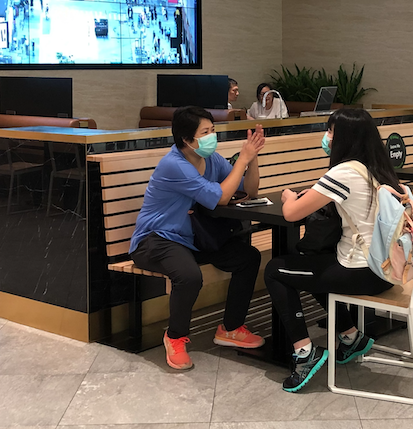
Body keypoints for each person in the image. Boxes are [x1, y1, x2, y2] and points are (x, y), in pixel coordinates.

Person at [263, 108, 397, 393]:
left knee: (275, 270)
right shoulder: (377, 168)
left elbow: (291, 213)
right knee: (312, 265)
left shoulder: (345, 171)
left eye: (330, 132)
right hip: (385, 268)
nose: (326, 137)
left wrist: (288, 197)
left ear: (344, 138)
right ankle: (351, 338)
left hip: (363, 271)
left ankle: (304, 351)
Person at [129, 106, 267, 371]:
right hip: (156, 239)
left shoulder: (212, 159)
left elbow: (247, 190)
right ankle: (175, 337)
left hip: (191, 239)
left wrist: (252, 158)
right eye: (205, 132)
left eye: (212, 130)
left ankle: (231, 328)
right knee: (190, 276)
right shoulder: (175, 164)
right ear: (187, 140)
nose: (211, 137)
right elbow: (221, 197)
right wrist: (242, 160)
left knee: (247, 257)